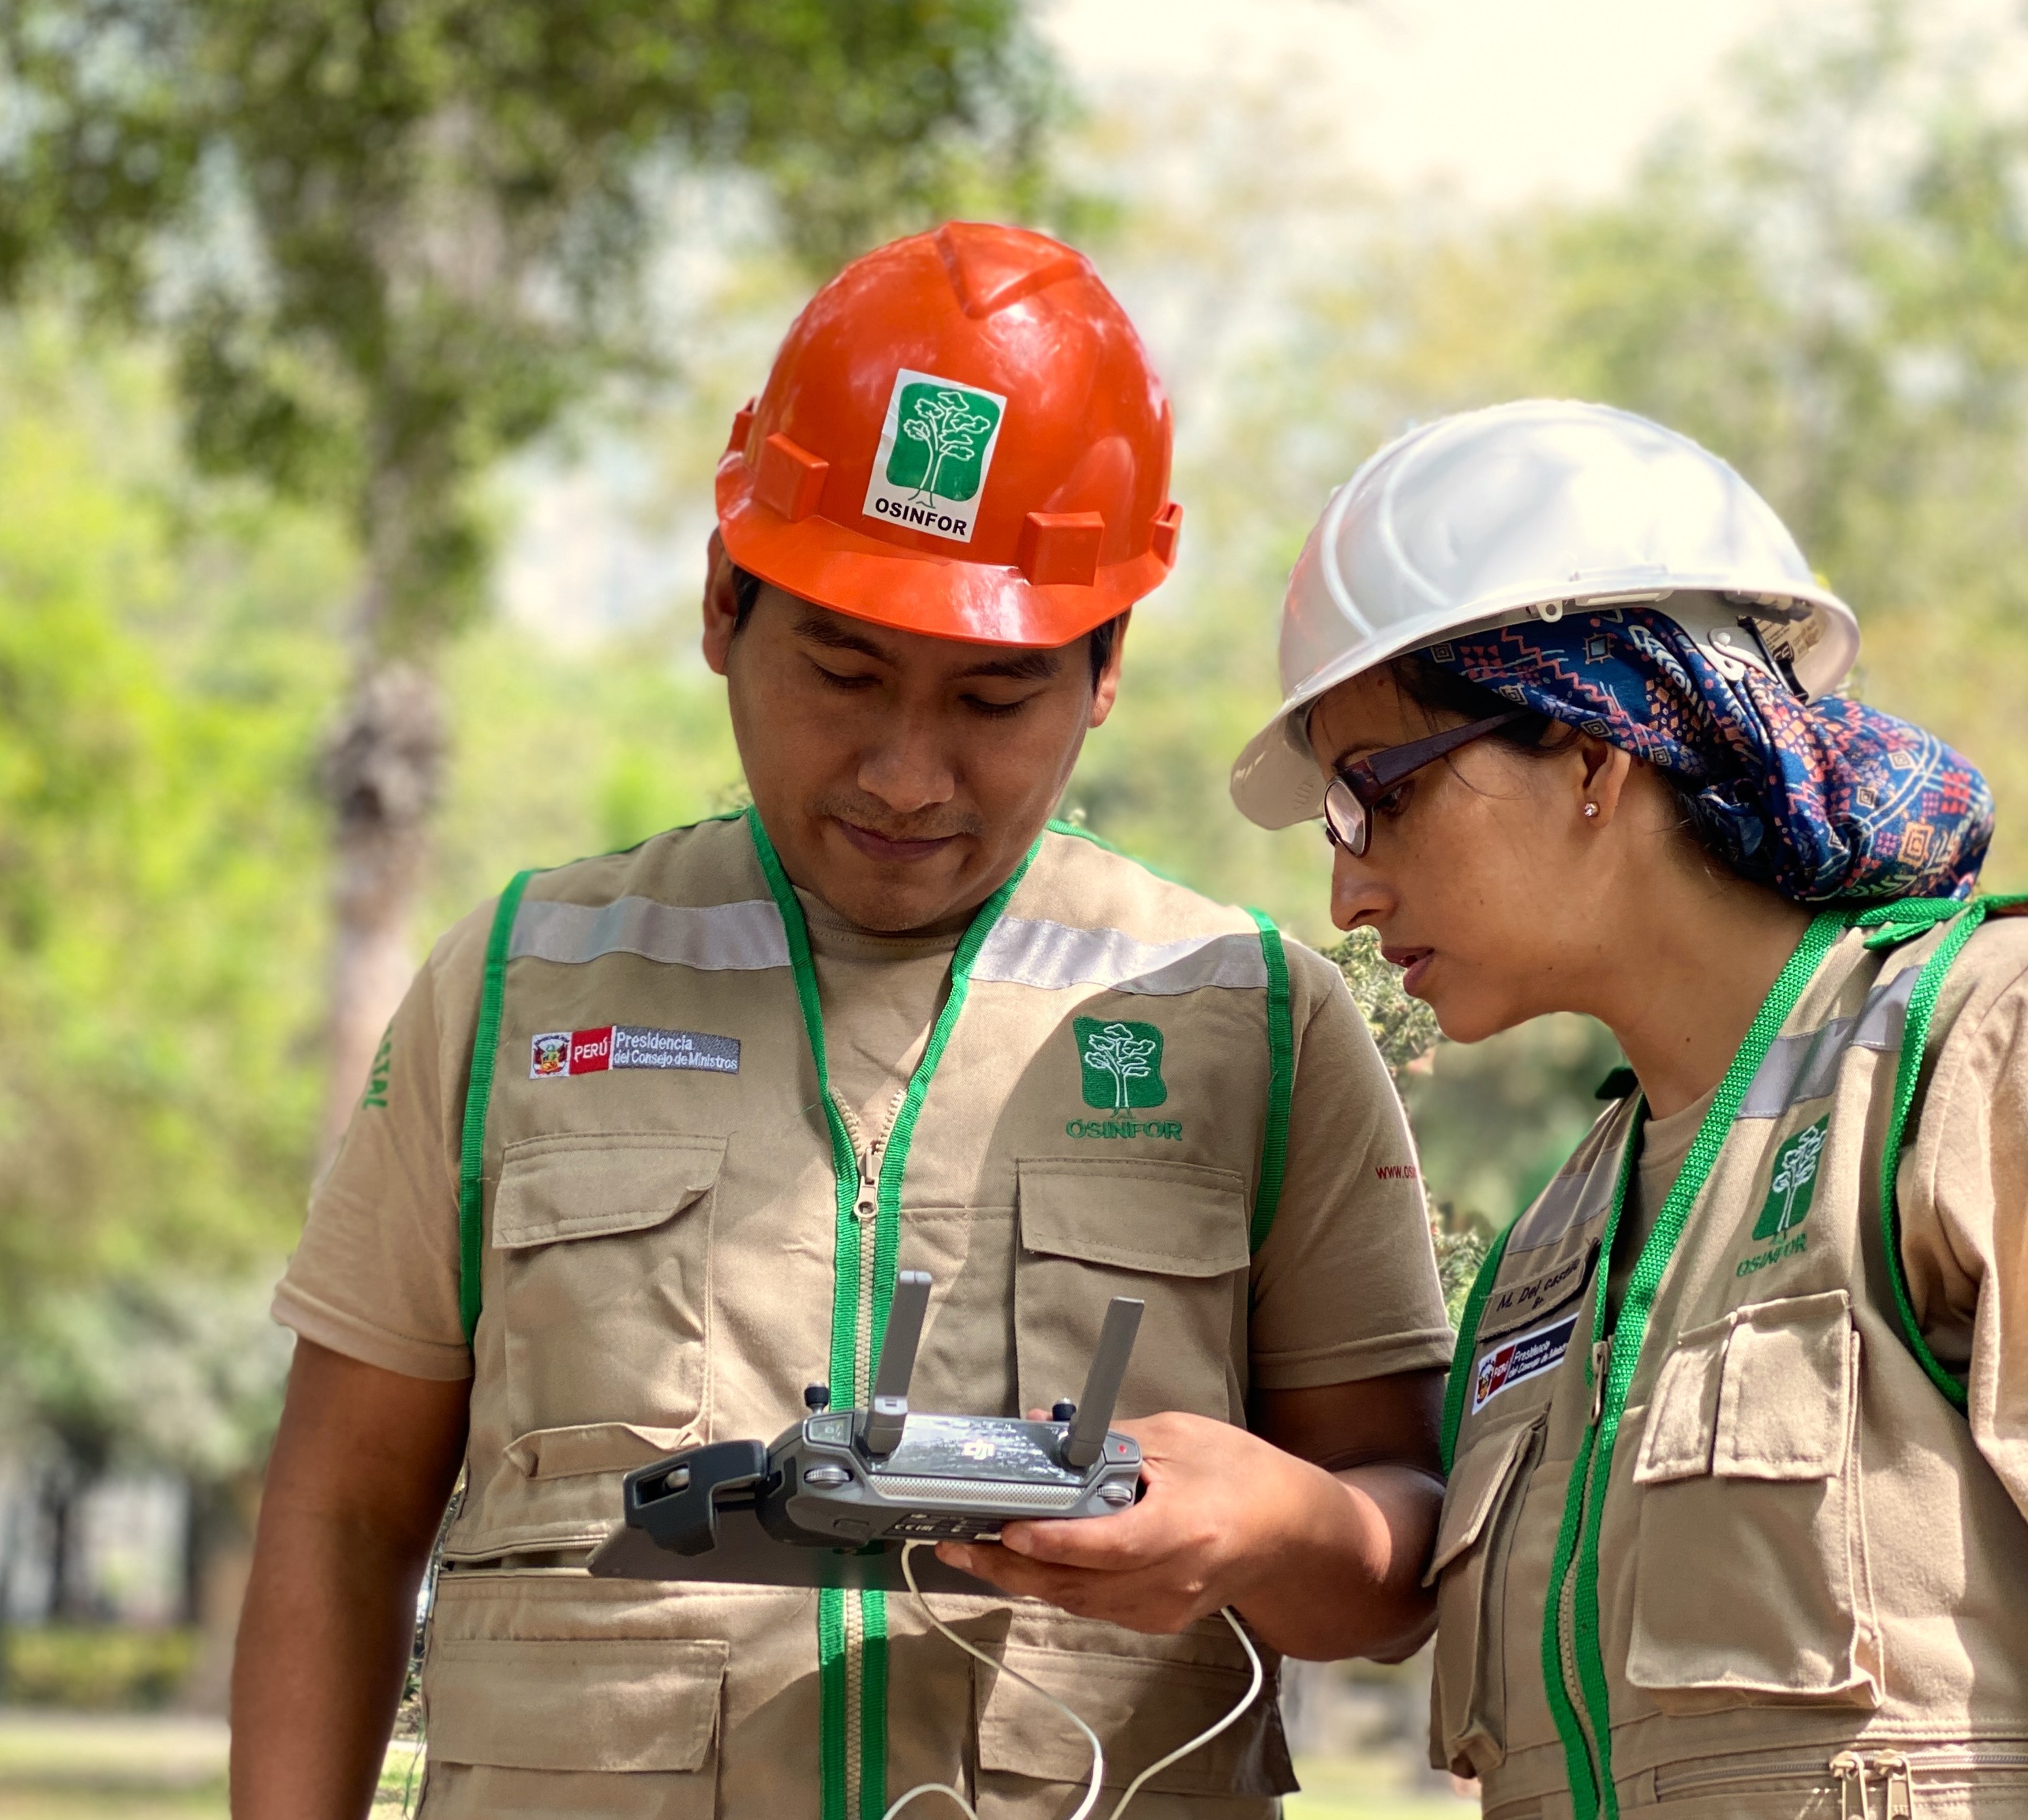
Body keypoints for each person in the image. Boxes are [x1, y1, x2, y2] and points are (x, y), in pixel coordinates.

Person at [230, 222, 1453, 1820]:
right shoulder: (526, 982)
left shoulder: (1247, 1016)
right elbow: (337, 1515)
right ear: (725, 600)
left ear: (1104, 672)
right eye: (843, 670)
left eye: (991, 701)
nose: (904, 773)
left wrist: (1275, 1530)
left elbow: (1400, 1549)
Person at [1229, 400, 2028, 1817]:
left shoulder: (2012, 1049)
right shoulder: (1555, 1247)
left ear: (1596, 751)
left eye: (1374, 800)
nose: (1344, 891)